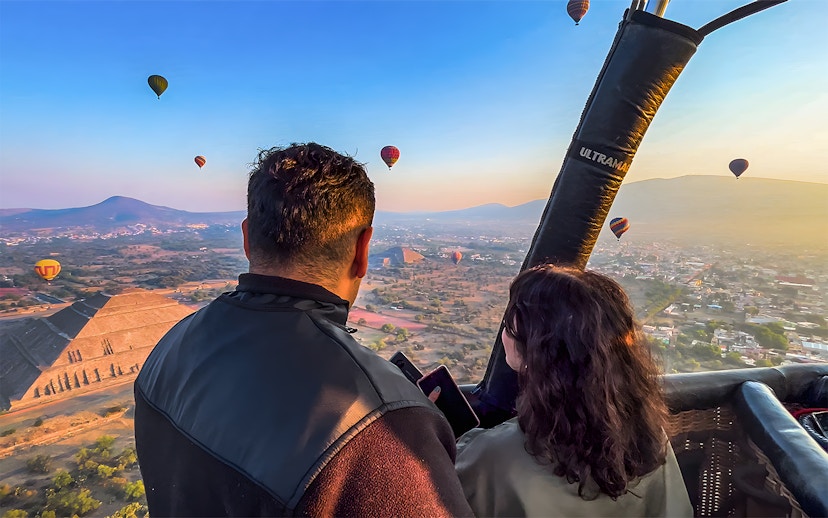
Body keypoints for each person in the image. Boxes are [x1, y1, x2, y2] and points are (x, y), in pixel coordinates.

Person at [134, 143, 473, 517]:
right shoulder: (380, 428)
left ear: (247, 239)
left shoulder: (168, 348)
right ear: (364, 250)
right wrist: (410, 439)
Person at [455, 264, 693, 517]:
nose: (504, 334)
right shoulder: (649, 437)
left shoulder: (495, 456)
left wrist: (425, 427)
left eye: (509, 327)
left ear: (535, 352)